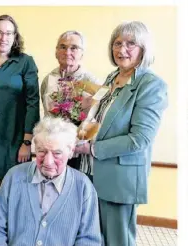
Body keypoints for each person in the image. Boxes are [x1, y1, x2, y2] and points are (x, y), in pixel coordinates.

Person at [75, 21, 168, 246]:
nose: (121, 49)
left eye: (131, 43)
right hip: (91, 170)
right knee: (94, 237)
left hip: (119, 176)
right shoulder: (112, 77)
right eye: (117, 43)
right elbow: (102, 119)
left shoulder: (151, 85)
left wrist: (92, 148)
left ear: (144, 49)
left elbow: (140, 139)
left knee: (118, 240)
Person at [0, 117, 101, 246]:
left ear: (71, 152)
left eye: (57, 153)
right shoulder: (14, 177)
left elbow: (89, 240)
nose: (48, 162)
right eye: (42, 151)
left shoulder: (84, 187)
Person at [0, 14, 40, 195]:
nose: (3, 38)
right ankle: (0, 221)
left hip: (15, 135)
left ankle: (15, 222)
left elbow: (33, 102)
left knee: (17, 184)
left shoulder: (26, 62)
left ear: (15, 37)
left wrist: (27, 141)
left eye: (9, 33)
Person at [40, 30, 100, 174]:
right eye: (63, 47)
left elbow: (97, 120)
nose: (67, 52)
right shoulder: (48, 80)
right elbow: (47, 115)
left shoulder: (92, 83)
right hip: (53, 151)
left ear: (82, 54)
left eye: (74, 48)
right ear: (56, 52)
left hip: (80, 152)